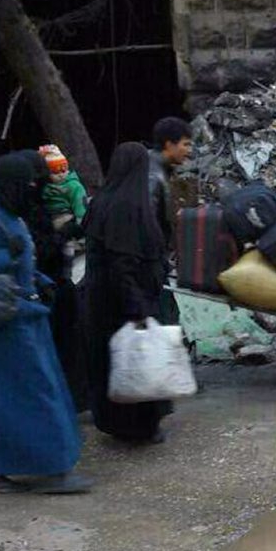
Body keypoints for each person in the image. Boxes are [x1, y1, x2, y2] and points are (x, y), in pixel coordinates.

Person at [0, 152, 89, 494]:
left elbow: (20, 258)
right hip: (4, 323)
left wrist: (38, 277)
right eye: (28, 183)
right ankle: (53, 469)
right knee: (35, 393)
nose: (34, 188)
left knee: (0, 398)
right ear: (9, 185)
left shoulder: (11, 216)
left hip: (23, 316)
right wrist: (6, 256)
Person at [83, 142, 175, 444]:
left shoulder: (101, 201)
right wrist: (138, 308)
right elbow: (124, 263)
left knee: (112, 362)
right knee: (136, 361)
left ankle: (116, 424)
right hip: (125, 300)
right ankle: (139, 428)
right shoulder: (130, 208)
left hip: (100, 299)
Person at [29, 148, 89, 413]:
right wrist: (64, 235)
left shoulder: (55, 194)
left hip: (57, 283)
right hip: (47, 286)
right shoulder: (32, 206)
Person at [149, 116, 193, 250]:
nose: (189, 151)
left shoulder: (161, 167)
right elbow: (147, 219)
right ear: (169, 145)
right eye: (185, 144)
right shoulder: (152, 175)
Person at [39, 144, 88, 230]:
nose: (61, 175)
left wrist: (80, 224)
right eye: (55, 172)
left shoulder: (74, 186)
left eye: (64, 169)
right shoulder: (42, 186)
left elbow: (81, 208)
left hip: (68, 221)